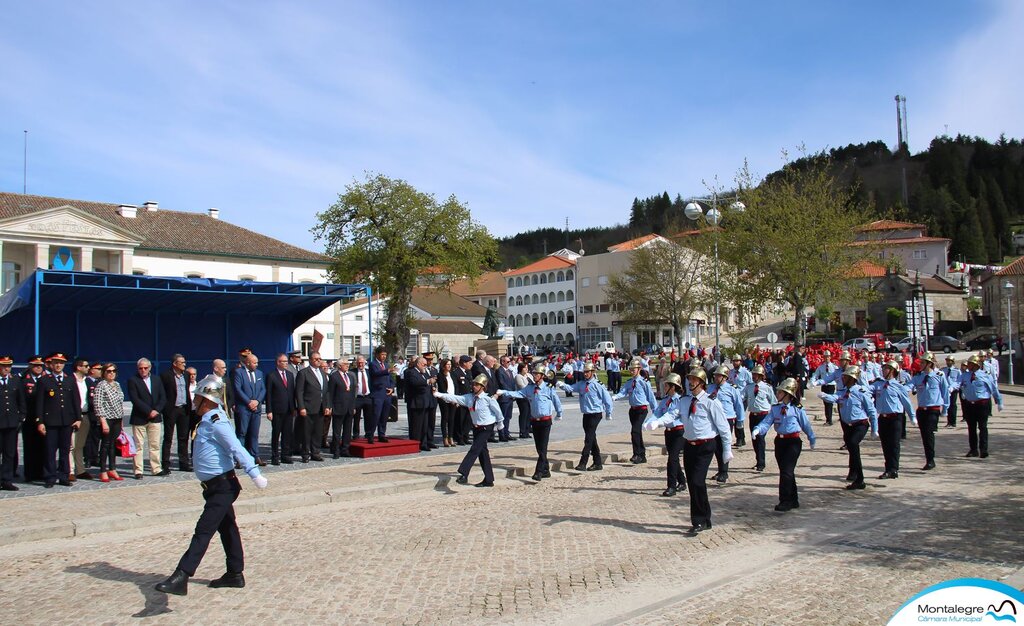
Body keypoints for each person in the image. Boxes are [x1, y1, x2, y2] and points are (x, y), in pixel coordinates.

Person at [155, 375, 268, 596]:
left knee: (203, 530)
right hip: (215, 486)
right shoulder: (208, 419)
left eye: (197, 397)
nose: (194, 401)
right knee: (228, 528)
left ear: (206, 399)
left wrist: (254, 474)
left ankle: (182, 575)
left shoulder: (217, 421)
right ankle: (235, 574)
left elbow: (236, 448)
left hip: (223, 486)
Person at [647, 368, 731, 535]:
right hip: (689, 445)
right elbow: (672, 414)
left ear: (701, 383)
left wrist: (727, 450)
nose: (690, 382)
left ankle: (698, 520)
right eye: (689, 379)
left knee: (698, 481)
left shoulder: (711, 402)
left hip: (706, 445)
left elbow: (724, 428)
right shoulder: (684, 401)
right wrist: (658, 422)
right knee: (694, 483)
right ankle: (705, 518)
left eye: (694, 380)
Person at [751, 378, 816, 511]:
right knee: (786, 471)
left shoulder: (797, 409)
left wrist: (811, 438)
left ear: (787, 393)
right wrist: (758, 429)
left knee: (786, 471)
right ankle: (794, 499)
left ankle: (785, 500)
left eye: (780, 392)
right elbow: (767, 422)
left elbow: (806, 425)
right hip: (780, 442)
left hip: (793, 442)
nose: (777, 394)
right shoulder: (776, 408)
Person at [497, 365, 563, 481]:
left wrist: (559, 413)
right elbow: (518, 394)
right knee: (539, 448)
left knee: (543, 448)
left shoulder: (548, 388)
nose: (534, 375)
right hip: (534, 421)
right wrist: (504, 392)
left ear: (542, 376)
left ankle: (538, 472)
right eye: (534, 373)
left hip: (545, 421)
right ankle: (546, 470)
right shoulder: (530, 388)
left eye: (537, 374)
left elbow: (556, 400)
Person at [435, 374, 502, 487]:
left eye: (476, 385)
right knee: (482, 453)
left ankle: (464, 473)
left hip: (486, 427)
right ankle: (489, 479)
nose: (474, 386)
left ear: (483, 387)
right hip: (476, 427)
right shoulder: (469, 397)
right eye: (473, 384)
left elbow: (498, 412)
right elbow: (455, 398)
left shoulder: (488, 399)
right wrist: (439, 394)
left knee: (474, 449)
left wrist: (500, 424)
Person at [818, 366, 876, 490]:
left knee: (853, 444)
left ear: (852, 378)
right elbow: (834, 398)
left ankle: (859, 478)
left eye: (845, 377)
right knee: (852, 449)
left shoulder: (861, 392)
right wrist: (823, 395)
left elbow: (871, 410)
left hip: (860, 424)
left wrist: (874, 429)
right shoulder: (843, 392)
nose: (842, 378)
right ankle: (855, 475)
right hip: (847, 425)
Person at [35, 352, 83, 488]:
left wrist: (78, 418)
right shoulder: (44, 380)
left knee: (65, 450)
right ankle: (50, 477)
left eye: (61, 363)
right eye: (56, 362)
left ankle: (63, 475)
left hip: (66, 421)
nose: (58, 365)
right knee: (50, 451)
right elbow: (40, 403)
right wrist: (40, 421)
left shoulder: (69, 380)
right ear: (51, 364)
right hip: (51, 422)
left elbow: (76, 400)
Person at [556, 362, 614, 472]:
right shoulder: (581, 384)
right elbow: (571, 388)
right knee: (592, 439)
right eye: (584, 372)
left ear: (592, 372)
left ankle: (583, 463)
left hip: (596, 414)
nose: (585, 374)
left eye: (587, 372)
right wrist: (562, 385)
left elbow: (607, 399)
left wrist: (608, 412)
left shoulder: (598, 384)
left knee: (588, 439)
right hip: (586, 414)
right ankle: (598, 463)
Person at [641, 373, 687, 497]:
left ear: (673, 387)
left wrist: (657, 423)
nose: (664, 387)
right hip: (669, 432)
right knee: (674, 458)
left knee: (672, 459)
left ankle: (671, 486)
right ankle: (682, 481)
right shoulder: (666, 401)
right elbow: (657, 413)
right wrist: (649, 422)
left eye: (667, 385)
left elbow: (670, 415)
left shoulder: (679, 401)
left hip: (679, 432)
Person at [871, 360, 915, 480]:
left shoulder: (898, 386)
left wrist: (912, 417)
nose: (883, 370)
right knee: (885, 444)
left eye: (886, 368)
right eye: (884, 368)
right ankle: (888, 468)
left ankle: (893, 469)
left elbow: (907, 402)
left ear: (892, 371)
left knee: (894, 444)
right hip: (883, 418)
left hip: (896, 418)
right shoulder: (878, 384)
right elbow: (867, 389)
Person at [613, 359, 657, 465]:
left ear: (639, 369)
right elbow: (623, 392)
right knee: (636, 432)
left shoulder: (644, 382)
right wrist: (615, 397)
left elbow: (651, 397)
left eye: (634, 369)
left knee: (635, 431)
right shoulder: (629, 382)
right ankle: (642, 455)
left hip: (642, 409)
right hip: (632, 410)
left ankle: (637, 454)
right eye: (631, 369)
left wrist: (655, 411)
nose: (632, 371)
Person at [960, 354, 1003, 458]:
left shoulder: (985, 375)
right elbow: (957, 383)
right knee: (971, 428)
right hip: (970, 404)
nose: (968, 366)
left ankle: (983, 450)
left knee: (982, 427)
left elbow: (993, 389)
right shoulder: (964, 376)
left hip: (982, 404)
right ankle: (973, 449)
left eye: (970, 364)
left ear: (975, 365)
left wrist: (999, 401)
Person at [910, 352, 948, 471]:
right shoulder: (918, 377)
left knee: (928, 434)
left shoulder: (939, 375)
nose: (920, 364)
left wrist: (945, 409)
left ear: (929, 364)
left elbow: (945, 392)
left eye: (922, 362)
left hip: (933, 409)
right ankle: (929, 458)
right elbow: (908, 386)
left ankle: (930, 460)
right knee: (924, 435)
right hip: (921, 410)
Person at [708, 365, 745, 483]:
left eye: (718, 376)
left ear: (724, 377)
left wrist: (740, 421)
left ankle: (724, 472)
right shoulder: (710, 388)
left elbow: (739, 405)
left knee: (724, 445)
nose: (715, 378)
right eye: (715, 376)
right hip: (713, 420)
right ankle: (720, 469)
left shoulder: (731, 389)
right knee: (716, 446)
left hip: (727, 419)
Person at [294, 351, 329, 462]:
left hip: (320, 407)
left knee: (317, 432)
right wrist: (301, 407)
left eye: (319, 358)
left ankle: (315, 452)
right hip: (308, 407)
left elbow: (325, 391)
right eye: (315, 359)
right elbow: (299, 391)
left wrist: (327, 406)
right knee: (306, 432)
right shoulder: (304, 373)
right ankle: (305, 453)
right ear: (310, 360)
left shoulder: (323, 373)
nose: (318, 361)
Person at [160, 354, 192, 473]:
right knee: (168, 437)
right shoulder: (165, 375)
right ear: (175, 364)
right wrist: (164, 409)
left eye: (184, 362)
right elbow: (162, 393)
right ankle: (165, 464)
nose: (184, 364)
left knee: (183, 437)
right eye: (182, 362)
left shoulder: (187, 375)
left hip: (184, 409)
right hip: (171, 409)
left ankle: (184, 463)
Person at [93, 363, 126, 483]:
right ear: (104, 373)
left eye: (113, 371)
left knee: (113, 444)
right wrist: (103, 421)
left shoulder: (117, 384)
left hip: (117, 418)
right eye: (108, 371)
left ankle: (113, 468)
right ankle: (103, 470)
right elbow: (98, 404)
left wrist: (121, 420)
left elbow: (120, 403)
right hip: (107, 419)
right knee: (105, 445)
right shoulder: (101, 385)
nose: (111, 373)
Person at [233, 353, 266, 465]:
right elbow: (238, 389)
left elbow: (263, 389)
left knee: (254, 433)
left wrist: (257, 401)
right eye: (254, 362)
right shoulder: (239, 373)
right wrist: (248, 402)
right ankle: (240, 458)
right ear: (247, 363)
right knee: (242, 433)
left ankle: (255, 456)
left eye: (257, 362)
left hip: (256, 408)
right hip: (244, 408)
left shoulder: (259, 373)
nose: (256, 364)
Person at [0, 355, 27, 490]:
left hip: (11, 422)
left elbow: (21, 400)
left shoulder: (15, 380)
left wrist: (21, 416)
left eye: (9, 366)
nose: (6, 368)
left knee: (9, 453)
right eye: (4, 366)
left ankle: (6, 480)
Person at [264, 353, 296, 465]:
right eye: (284, 361)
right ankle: (275, 456)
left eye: (287, 361)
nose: (286, 363)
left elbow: (292, 392)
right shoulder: (271, 375)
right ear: (278, 362)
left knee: (287, 434)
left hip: (289, 409)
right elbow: (268, 395)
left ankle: (285, 455)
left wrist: (294, 407)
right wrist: (269, 410)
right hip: (277, 410)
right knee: (276, 433)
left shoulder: (290, 375)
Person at [743, 364, 775, 472]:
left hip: (763, 415)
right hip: (753, 415)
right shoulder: (749, 387)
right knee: (754, 439)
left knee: (760, 438)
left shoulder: (767, 388)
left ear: (761, 376)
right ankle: (758, 461)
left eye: (756, 375)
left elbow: (773, 401)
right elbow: (743, 397)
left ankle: (761, 463)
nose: (754, 376)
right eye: (753, 374)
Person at [70, 357, 97, 481]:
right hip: (73, 416)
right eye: (85, 366)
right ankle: (69, 470)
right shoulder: (70, 380)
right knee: (71, 445)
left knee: (80, 445)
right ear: (78, 367)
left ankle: (80, 470)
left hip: (85, 415)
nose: (88, 368)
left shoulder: (88, 381)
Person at [326, 356, 357, 457]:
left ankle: (345, 449)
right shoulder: (334, 376)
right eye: (345, 364)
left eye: (348, 364)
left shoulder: (350, 376)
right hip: (338, 407)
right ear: (340, 365)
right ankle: (336, 450)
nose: (347, 366)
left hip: (349, 407)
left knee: (347, 430)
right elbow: (330, 393)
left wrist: (353, 406)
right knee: (337, 431)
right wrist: (329, 406)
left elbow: (353, 393)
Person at [404, 357, 433, 451]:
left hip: (425, 402)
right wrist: (427, 381)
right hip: (417, 403)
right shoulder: (412, 372)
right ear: (418, 364)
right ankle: (415, 444)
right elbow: (415, 383)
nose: (425, 366)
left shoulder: (424, 373)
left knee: (424, 425)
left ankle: (423, 443)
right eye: (423, 364)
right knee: (416, 426)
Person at [367, 346, 395, 443]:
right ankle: (370, 435)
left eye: (385, 355)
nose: (384, 357)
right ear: (378, 354)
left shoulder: (386, 365)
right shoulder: (373, 364)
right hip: (377, 393)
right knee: (376, 415)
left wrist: (392, 387)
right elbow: (376, 373)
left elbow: (391, 379)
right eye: (382, 354)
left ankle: (381, 434)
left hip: (387, 394)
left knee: (384, 415)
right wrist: (387, 371)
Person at [810, 350, 839, 425]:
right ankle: (828, 419)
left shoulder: (834, 367)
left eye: (828, 357)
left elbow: (837, 376)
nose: (827, 358)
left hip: (831, 386)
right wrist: (813, 381)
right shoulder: (821, 367)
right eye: (825, 357)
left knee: (829, 402)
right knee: (825, 403)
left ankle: (829, 420)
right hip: (824, 386)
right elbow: (815, 375)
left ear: (830, 357)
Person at [495, 356, 518, 442]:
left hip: (510, 398)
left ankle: (506, 433)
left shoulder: (510, 371)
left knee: (508, 416)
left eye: (509, 361)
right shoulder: (499, 371)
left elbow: (513, 383)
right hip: (504, 397)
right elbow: (502, 383)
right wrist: (509, 393)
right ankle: (502, 434)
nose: (509, 363)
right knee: (502, 417)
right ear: (502, 362)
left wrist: (514, 393)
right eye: (507, 362)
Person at [452, 356, 473, 445]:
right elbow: (456, 387)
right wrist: (456, 400)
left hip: (469, 399)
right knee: (460, 419)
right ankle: (459, 437)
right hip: (461, 399)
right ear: (464, 363)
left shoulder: (468, 372)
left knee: (468, 420)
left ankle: (465, 436)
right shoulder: (456, 372)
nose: (470, 364)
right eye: (469, 363)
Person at [437, 359, 458, 447]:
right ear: (443, 366)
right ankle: (445, 438)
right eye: (447, 364)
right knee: (445, 419)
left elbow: (455, 386)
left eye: (450, 364)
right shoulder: (440, 375)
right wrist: (449, 398)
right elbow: (442, 388)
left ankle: (451, 437)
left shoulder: (452, 374)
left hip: (453, 399)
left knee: (452, 419)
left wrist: (456, 399)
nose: (449, 366)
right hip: (444, 400)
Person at [513, 362, 532, 439]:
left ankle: (527, 430)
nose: (526, 369)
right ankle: (522, 431)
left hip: (529, 398)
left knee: (529, 414)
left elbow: (534, 383)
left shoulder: (529, 375)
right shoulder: (518, 376)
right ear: (521, 369)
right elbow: (522, 386)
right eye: (525, 368)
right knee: (524, 414)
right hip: (522, 398)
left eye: (527, 367)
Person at [942, 356, 962, 428]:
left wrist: (953, 387)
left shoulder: (957, 371)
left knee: (953, 405)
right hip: (946, 390)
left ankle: (953, 422)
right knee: (947, 404)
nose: (948, 362)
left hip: (953, 390)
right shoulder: (943, 370)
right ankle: (949, 422)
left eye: (950, 361)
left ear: (953, 362)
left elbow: (959, 381)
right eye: (947, 360)